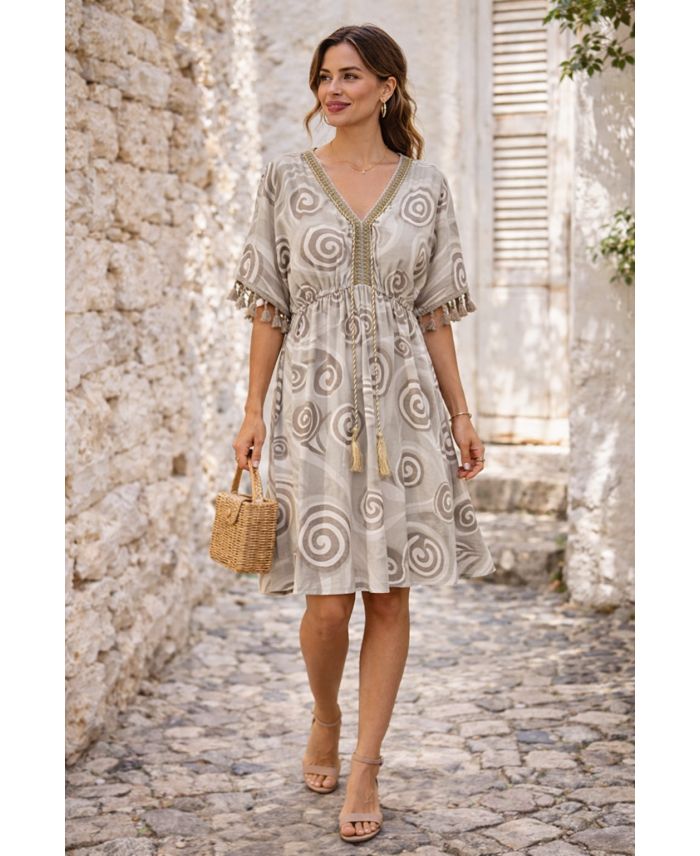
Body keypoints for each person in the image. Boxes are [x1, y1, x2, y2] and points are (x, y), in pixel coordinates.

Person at [228, 23, 496, 845]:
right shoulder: (287, 179)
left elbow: (436, 313)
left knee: (389, 594)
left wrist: (460, 413)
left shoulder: (426, 187)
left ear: (387, 86)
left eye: (349, 75)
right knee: (326, 605)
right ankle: (325, 713)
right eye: (324, 77)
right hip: (311, 405)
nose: (332, 90)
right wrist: (252, 409)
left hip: (404, 409)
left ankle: (367, 764)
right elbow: (269, 305)